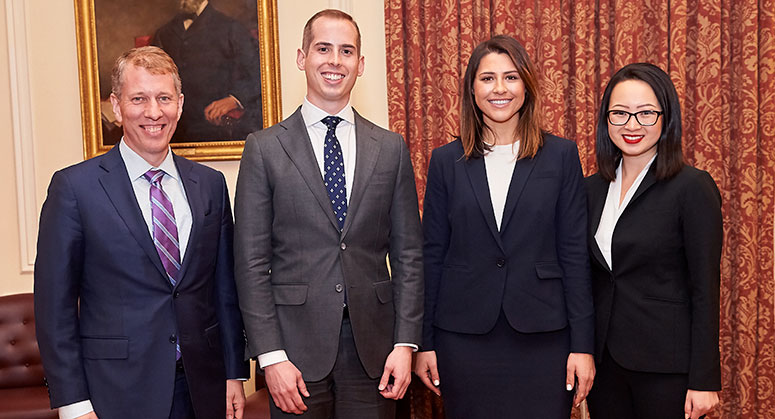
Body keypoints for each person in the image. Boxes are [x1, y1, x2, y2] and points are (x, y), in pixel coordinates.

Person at [34, 46, 248, 419]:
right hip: (115, 393)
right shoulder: (74, 189)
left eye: (164, 98)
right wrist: (73, 404)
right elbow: (55, 309)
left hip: (203, 388)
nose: (153, 112)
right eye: (139, 99)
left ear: (179, 105)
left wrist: (234, 373)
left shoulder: (210, 185)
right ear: (117, 106)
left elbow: (223, 291)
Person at [233, 9, 423, 419]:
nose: (335, 61)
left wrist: (406, 344)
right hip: (293, 354)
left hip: (375, 351)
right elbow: (250, 263)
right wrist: (269, 356)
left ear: (360, 64)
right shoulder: (264, 149)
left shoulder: (390, 148)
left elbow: (409, 256)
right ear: (302, 57)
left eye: (347, 51)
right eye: (324, 48)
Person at [414, 35, 595, 419]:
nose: (500, 88)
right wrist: (424, 343)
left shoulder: (561, 156)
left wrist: (583, 346)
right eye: (487, 78)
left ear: (526, 86)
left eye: (511, 77)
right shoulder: (446, 161)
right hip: (463, 339)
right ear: (472, 89)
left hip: (544, 339)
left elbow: (575, 255)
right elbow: (432, 255)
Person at [584, 63, 722, 419]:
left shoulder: (692, 187)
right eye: (620, 113)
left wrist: (704, 379)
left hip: (667, 367)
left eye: (645, 113)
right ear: (606, 120)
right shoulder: (590, 189)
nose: (632, 125)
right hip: (606, 365)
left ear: (666, 118)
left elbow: (705, 289)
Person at [152, 0, 262, 142]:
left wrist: (235, 99)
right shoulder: (163, 33)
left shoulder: (230, 28)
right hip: (174, 130)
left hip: (216, 128)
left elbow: (260, 73)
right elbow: (151, 79)